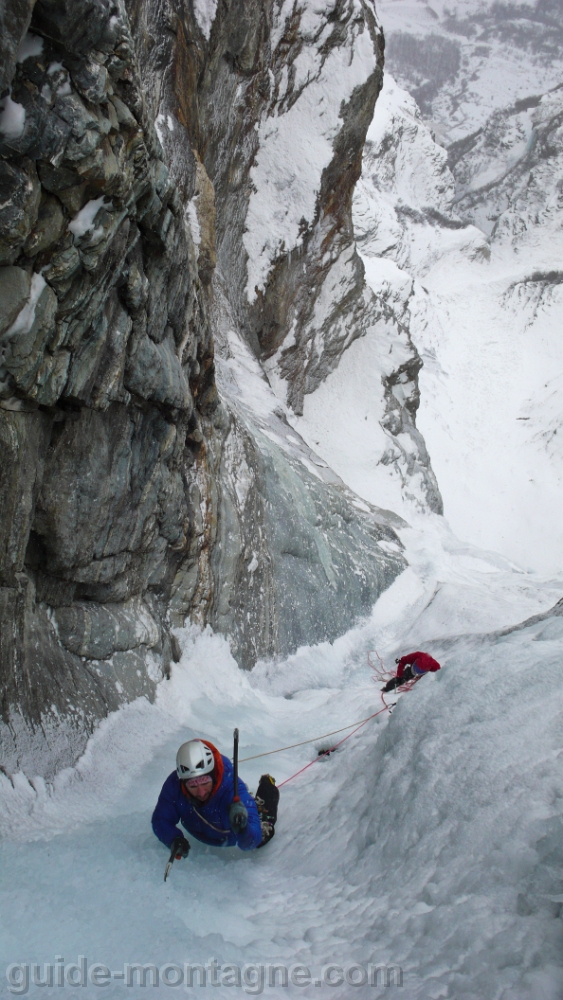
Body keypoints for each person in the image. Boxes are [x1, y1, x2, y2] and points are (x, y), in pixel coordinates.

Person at [151, 738, 279, 861]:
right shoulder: (174, 786)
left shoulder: (232, 788)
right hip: (200, 832)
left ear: (214, 775)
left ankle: (267, 786)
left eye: (205, 782)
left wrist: (243, 828)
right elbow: (161, 819)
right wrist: (173, 839)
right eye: (193, 786)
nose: (201, 792)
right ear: (183, 782)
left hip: (231, 835)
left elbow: (251, 842)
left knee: (262, 834)